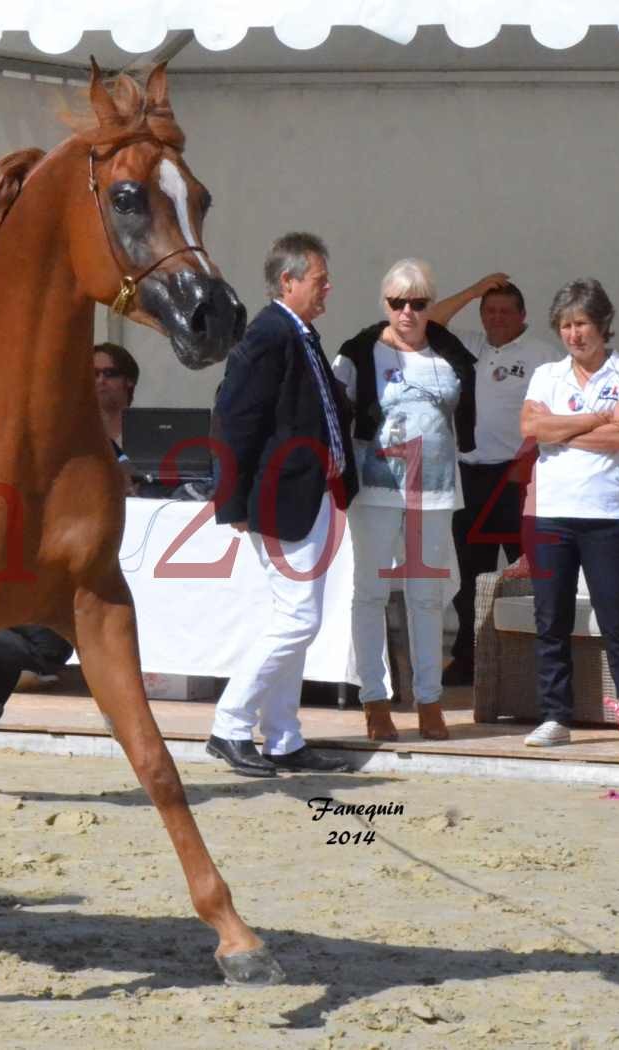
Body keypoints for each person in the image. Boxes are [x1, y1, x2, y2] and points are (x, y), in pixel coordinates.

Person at [0, 343, 141, 804]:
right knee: (43, 648)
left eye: (106, 374)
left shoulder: (91, 431)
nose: (95, 382)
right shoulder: (52, 419)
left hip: (33, 561)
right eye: (89, 373)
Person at [207, 232, 359, 777]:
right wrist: (233, 500)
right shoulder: (269, 333)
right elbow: (233, 417)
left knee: (294, 617)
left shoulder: (301, 334)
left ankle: (284, 735)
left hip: (308, 494)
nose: (328, 288)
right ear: (288, 281)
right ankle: (230, 724)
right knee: (298, 619)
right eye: (319, 279)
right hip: (280, 498)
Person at [332, 259, 476, 742]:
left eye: (417, 302)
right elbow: (332, 413)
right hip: (375, 491)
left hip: (435, 493)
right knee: (370, 594)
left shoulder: (449, 353)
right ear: (385, 304)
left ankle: (429, 701)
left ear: (430, 305)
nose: (407, 312)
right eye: (398, 302)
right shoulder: (357, 353)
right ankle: (374, 700)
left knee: (427, 599)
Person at [518, 279, 619, 747]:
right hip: (551, 515)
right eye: (566, 325)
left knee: (618, 620)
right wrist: (597, 418)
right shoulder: (546, 376)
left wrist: (562, 430)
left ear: (603, 325)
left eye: (582, 324)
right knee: (550, 619)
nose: (574, 334)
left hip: (608, 517)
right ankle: (556, 716)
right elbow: (532, 428)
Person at [426, 275, 560, 685]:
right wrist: (472, 290)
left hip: (519, 476)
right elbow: (429, 323)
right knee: (471, 577)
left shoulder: (543, 354)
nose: (497, 318)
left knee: (528, 572)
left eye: (505, 311)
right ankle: (470, 658)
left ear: (522, 315)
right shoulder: (469, 343)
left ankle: (535, 664)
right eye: (490, 311)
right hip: (471, 476)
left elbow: (552, 416)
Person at [94, 340, 142, 495]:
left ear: (129, 380)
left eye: (109, 374)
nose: (101, 380)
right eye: (94, 374)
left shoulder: (148, 434)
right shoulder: (76, 435)